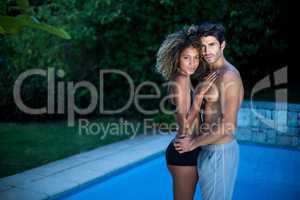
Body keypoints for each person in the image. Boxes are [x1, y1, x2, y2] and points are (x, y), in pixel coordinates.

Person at [174, 22, 244, 200]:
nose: (207, 51)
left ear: (222, 45)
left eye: (212, 44)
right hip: (207, 148)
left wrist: (193, 143)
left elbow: (229, 126)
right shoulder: (210, 72)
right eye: (203, 46)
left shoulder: (229, 76)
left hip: (219, 151)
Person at [156, 26, 217, 200]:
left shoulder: (185, 78)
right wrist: (198, 96)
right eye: (186, 58)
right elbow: (186, 123)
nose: (193, 62)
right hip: (184, 152)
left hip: (190, 147)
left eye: (196, 57)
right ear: (177, 59)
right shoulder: (180, 80)